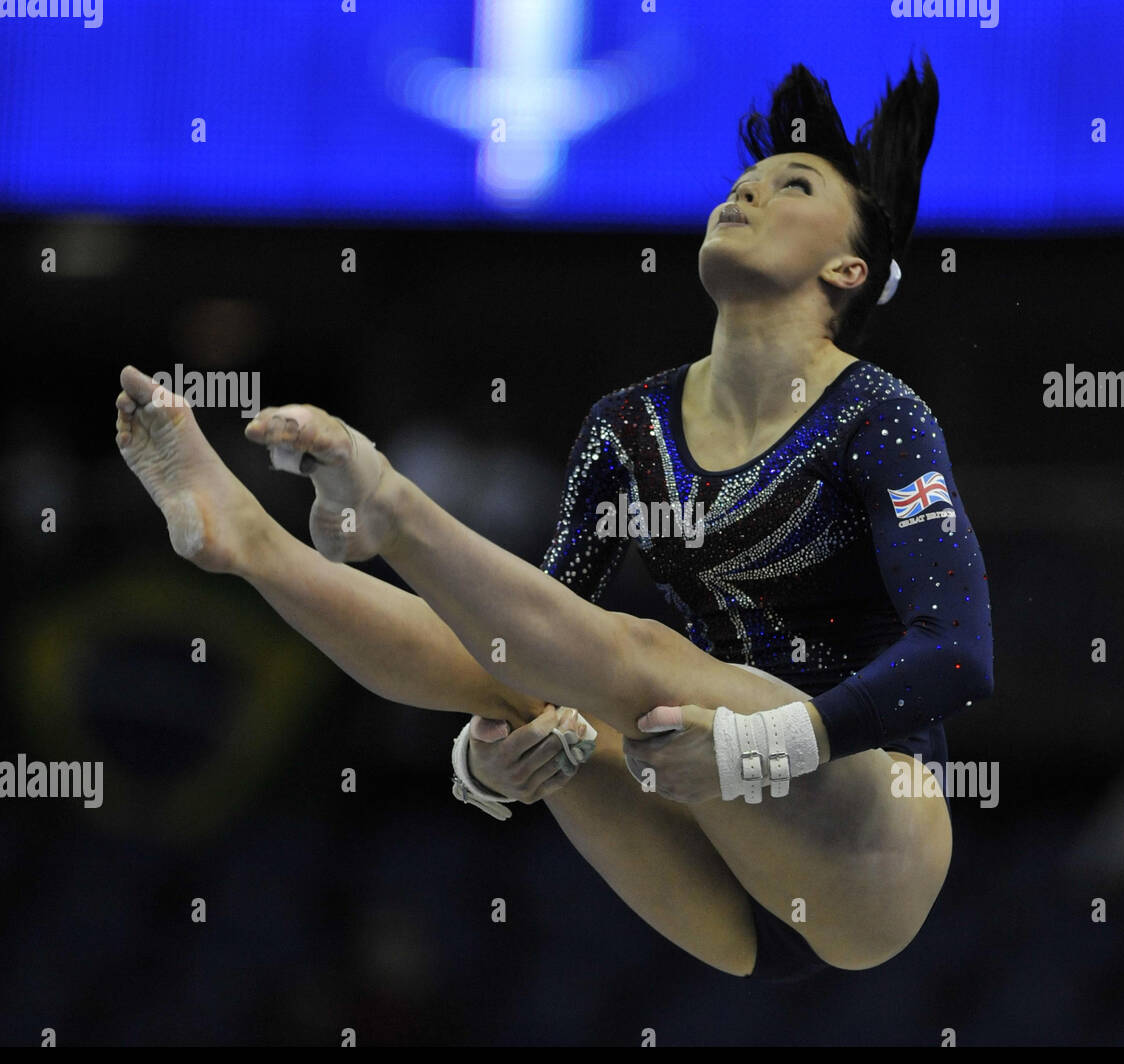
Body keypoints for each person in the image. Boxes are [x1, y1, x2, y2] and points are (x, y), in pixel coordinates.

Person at [115, 57, 993, 984]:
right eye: (743, 181)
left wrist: (760, 747)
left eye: (793, 185)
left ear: (848, 268)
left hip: (868, 830)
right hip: (716, 864)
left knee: (652, 656)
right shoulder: (627, 426)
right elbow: (530, 645)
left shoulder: (877, 414)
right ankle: (251, 545)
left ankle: (392, 502)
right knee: (528, 692)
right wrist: (487, 768)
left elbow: (958, 654)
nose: (746, 190)